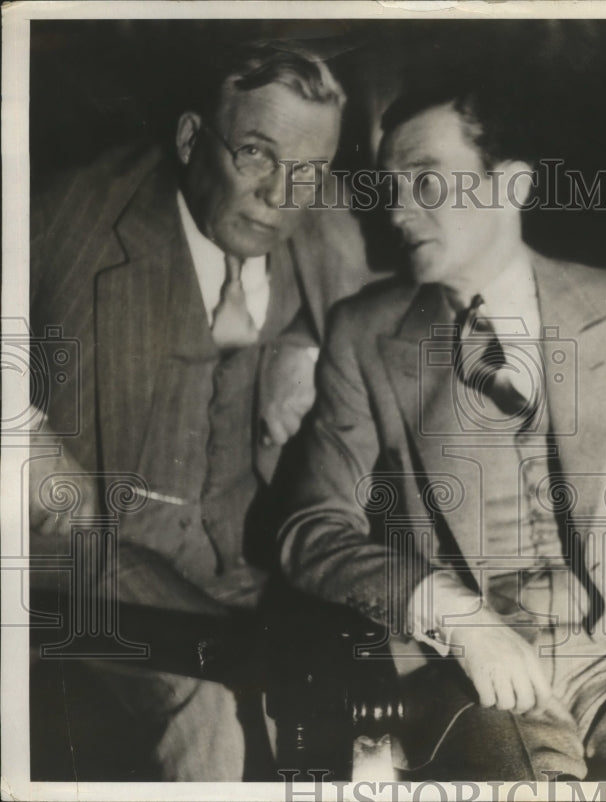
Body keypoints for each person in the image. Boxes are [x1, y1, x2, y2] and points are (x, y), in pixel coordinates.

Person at [277, 85, 606, 781]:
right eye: (390, 187)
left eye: (425, 181)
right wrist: (452, 615)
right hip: (465, 665)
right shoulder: (365, 332)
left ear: (508, 185)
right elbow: (311, 529)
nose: (396, 210)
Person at [29, 40, 360, 780]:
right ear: (190, 139)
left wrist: (308, 345)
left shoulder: (326, 223)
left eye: (309, 169)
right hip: (88, 558)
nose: (283, 194)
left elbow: (383, 337)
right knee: (214, 702)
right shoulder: (71, 215)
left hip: (254, 570)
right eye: (255, 154)